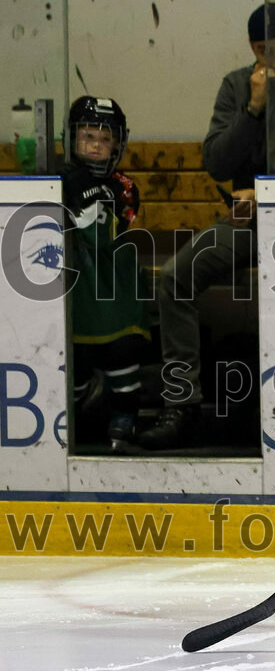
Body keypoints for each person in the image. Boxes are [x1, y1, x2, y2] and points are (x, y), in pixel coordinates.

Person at [138, 2, 275, 450]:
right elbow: (216, 162)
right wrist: (253, 110)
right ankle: (183, 404)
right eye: (266, 49)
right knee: (176, 279)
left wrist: (272, 193)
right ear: (253, 49)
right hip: (246, 224)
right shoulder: (239, 86)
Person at [62, 96, 150, 451]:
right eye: (87, 137)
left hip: (114, 289)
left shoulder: (124, 187)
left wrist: (83, 196)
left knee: (121, 355)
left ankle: (124, 419)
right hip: (74, 288)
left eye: (105, 139)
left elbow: (102, 235)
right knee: (75, 362)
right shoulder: (60, 179)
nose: (96, 147)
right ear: (72, 138)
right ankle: (73, 414)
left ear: (118, 144)